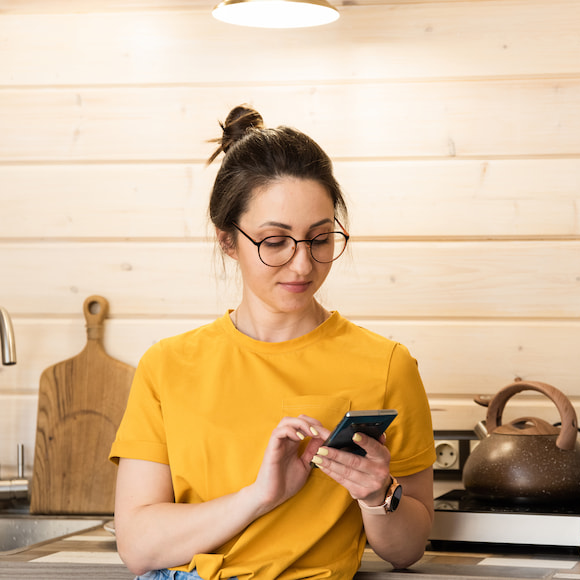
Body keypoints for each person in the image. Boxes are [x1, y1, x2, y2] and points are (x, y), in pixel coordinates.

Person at [109, 104, 436, 580]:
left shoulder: (386, 365)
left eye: (320, 239)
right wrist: (260, 496)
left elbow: (406, 550)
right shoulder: (167, 365)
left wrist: (377, 495)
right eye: (275, 241)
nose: (303, 265)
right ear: (227, 240)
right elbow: (138, 547)